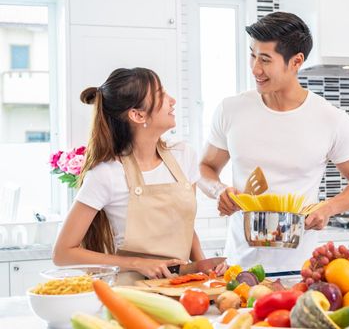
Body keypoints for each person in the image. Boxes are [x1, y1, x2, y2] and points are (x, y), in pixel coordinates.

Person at [199, 12, 349, 272]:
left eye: (265, 59)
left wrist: (328, 208)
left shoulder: (330, 118)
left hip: (302, 268)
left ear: (296, 62)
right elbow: (204, 168)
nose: (255, 68)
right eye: (252, 55)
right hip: (239, 267)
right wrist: (218, 190)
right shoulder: (231, 109)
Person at [53, 67, 226, 283]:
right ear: (137, 114)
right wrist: (136, 263)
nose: (172, 100)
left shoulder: (183, 156)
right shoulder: (106, 174)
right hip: (132, 293)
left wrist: (204, 270)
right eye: (161, 95)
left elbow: (184, 226)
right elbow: (62, 253)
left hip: (182, 288)